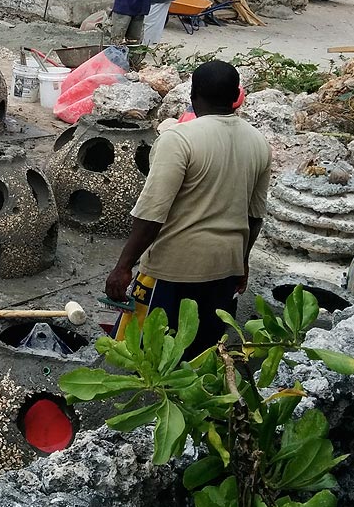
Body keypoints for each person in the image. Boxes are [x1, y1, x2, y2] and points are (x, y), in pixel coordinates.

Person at [105, 60, 272, 358]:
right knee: (201, 355)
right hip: (225, 268)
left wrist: (122, 267)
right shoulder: (259, 143)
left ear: (193, 96)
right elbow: (254, 216)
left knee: (149, 355)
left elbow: (151, 214)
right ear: (237, 96)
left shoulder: (179, 139)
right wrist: (242, 262)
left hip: (174, 271)